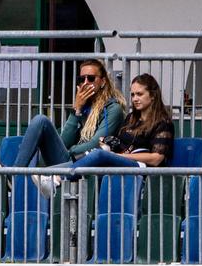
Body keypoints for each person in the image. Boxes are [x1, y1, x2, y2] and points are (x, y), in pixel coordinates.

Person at [32, 73, 175, 198]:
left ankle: (57, 179)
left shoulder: (163, 122)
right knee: (93, 155)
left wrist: (119, 156)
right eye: (132, 94)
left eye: (140, 94)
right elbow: (121, 144)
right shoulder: (131, 118)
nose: (135, 98)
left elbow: (156, 159)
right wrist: (108, 144)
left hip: (142, 169)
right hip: (120, 163)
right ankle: (49, 175)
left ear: (153, 95)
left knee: (98, 155)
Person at [0, 58, 126, 170]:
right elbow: (64, 141)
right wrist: (76, 110)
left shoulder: (113, 109)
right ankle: (16, 173)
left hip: (86, 162)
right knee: (40, 122)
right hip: (71, 159)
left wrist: (71, 150)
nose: (85, 83)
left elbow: (95, 144)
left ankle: (14, 174)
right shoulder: (84, 106)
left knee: (41, 121)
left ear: (102, 82)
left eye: (91, 78)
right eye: (81, 79)